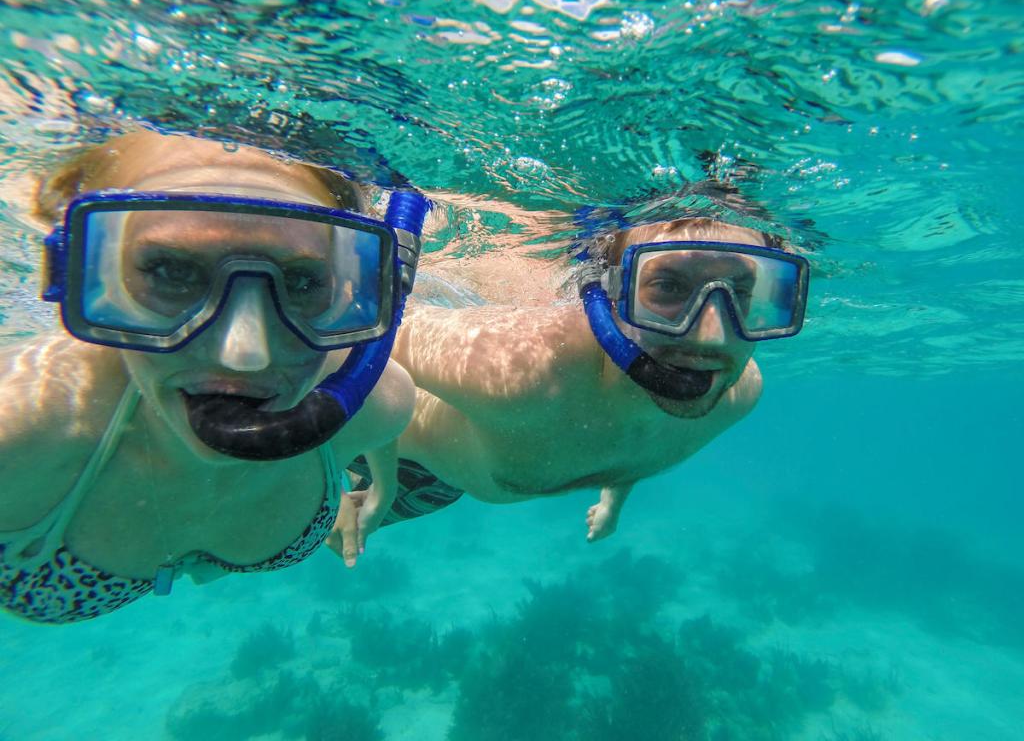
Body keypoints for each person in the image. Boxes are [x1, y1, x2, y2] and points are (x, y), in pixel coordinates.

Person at [0, 129, 429, 623]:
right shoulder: (20, 429)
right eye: (171, 272)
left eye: (304, 280)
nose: (244, 355)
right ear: (89, 275)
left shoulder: (377, 401)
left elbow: (379, 428)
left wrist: (380, 491)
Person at [339, 215, 809, 546]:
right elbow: (364, 332)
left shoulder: (736, 393)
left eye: (743, 293)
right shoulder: (516, 369)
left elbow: (638, 439)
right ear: (606, 295)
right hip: (400, 464)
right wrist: (380, 485)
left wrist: (612, 503)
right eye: (668, 287)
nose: (712, 336)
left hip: (473, 463)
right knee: (295, 538)